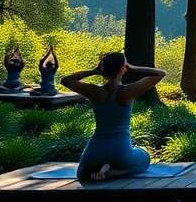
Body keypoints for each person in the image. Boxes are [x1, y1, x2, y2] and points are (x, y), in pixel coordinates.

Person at [61, 52, 165, 182]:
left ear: (104, 70)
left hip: (95, 150)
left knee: (82, 173)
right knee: (144, 156)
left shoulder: (94, 91)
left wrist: (93, 71)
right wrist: (133, 67)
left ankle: (103, 168)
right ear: (123, 68)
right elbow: (160, 73)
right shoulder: (128, 91)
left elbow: (65, 80)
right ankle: (113, 172)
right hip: (121, 152)